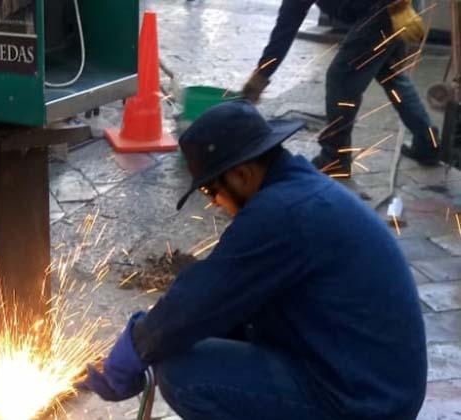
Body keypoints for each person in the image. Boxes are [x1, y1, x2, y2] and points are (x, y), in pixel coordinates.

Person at [81, 100, 427, 420]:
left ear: (242, 175)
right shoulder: (299, 192)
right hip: (371, 384)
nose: (214, 202)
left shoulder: (281, 214)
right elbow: (225, 303)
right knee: (209, 335)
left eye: (210, 190)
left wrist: (138, 346)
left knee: (184, 374)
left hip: (363, 403)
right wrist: (154, 340)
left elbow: (200, 300)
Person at [243, 0, 439, 177]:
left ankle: (335, 156)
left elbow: (284, 30)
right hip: (393, 10)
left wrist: (260, 77)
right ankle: (427, 142)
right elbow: (287, 26)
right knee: (393, 77)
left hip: (381, 11)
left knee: (341, 78)